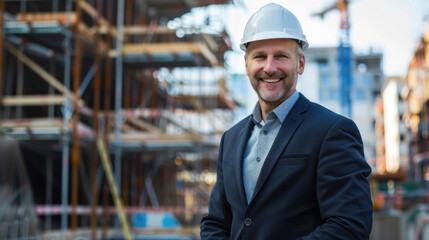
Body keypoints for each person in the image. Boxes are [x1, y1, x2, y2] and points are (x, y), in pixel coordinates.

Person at [200, 3, 373, 240]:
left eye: (280, 56)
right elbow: (215, 223)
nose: (269, 68)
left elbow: (349, 225)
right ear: (247, 65)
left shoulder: (332, 131)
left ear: (300, 64)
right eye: (260, 57)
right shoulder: (231, 139)